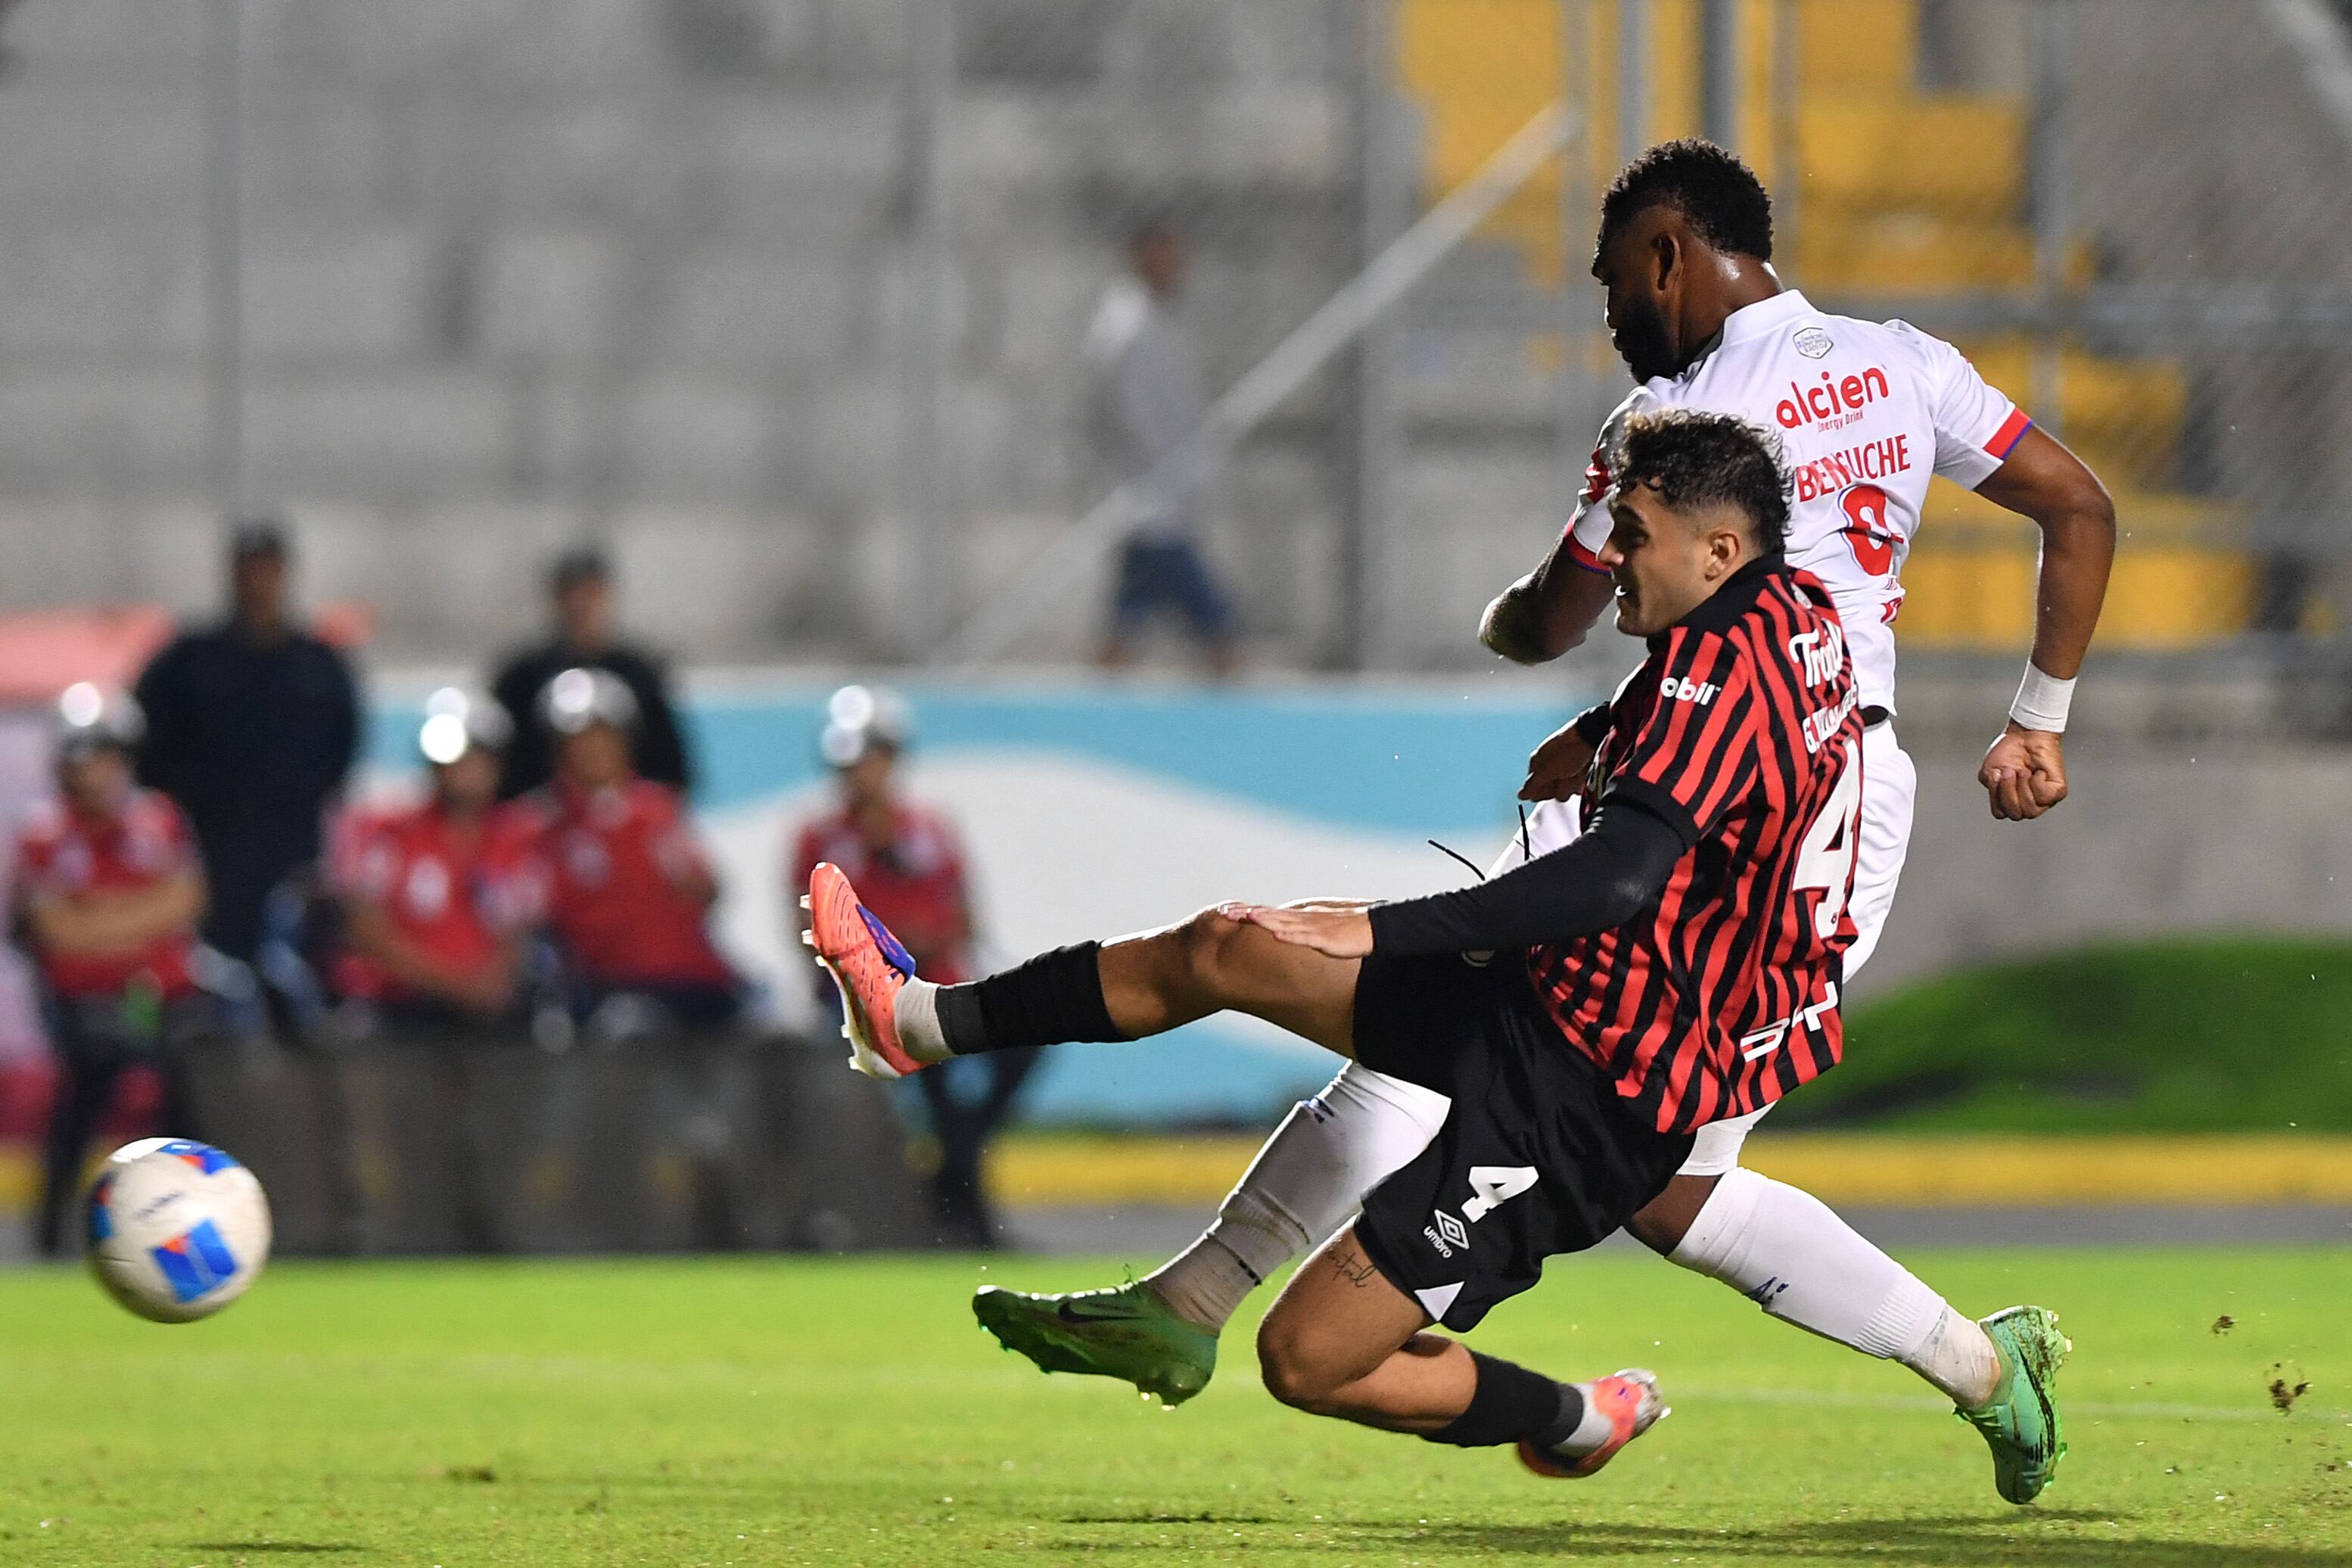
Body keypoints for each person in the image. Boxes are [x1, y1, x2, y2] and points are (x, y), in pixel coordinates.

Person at [972, 140, 2106, 1506]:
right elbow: (2076, 503)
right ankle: (1196, 1298)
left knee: (1645, 1155)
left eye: (1614, 274)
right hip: (1783, 766)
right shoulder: (1903, 364)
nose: (1609, 307)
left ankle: (1976, 1369)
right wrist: (2035, 714)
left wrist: (1518, 612)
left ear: (1669, 253)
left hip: (1762, 821)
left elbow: (1548, 620)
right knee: (1527, 1058)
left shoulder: (1679, 418)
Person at [811, 412, 2060, 1483]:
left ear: (1715, 549)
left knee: (1303, 1360)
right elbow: (1733, 742)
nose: (1611, 557)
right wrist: (1607, 724)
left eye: (1632, 536)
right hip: (1550, 1001)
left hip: (1585, 1096)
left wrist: (1376, 925)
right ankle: (912, 1022)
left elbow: (1611, 875)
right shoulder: (1787, 606)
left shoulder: (1721, 669)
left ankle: (1573, 1417)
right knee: (1223, 945)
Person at [788, 685, 1029, 1247]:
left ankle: (951, 1184)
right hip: (861, 1001)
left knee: (1026, 1041)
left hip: (939, 989)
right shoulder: (820, 838)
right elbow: (816, 932)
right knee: (939, 1082)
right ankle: (961, 1205)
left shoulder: (930, 829)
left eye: (869, 758)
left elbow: (964, 919)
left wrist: (899, 934)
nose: (859, 774)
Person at [17, 685, 211, 1256]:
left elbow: (187, 901)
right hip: (84, 1005)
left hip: (167, 998)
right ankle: (50, 1240)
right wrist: (141, 920)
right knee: (79, 1109)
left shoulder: (159, 820)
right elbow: (56, 932)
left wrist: (98, 917)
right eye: (80, 756)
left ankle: (198, 1224)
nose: (92, 771)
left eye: (103, 755)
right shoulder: (45, 833)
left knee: (192, 1104)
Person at [134, 518, 362, 965]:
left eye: (267, 566)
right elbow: (148, 744)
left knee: (292, 950)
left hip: (290, 839)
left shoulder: (319, 664)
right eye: (249, 567)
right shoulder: (187, 660)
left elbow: (342, 748)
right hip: (208, 838)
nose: (258, 579)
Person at [518, 669, 739, 1037]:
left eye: (600, 736)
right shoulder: (539, 826)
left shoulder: (658, 810)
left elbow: (708, 892)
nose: (590, 750)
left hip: (692, 982)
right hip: (605, 988)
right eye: (576, 739)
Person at [326, 691, 539, 1035]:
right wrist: (454, 986)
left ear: (497, 763)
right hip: (395, 1007)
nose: (460, 772)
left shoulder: (518, 836)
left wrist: (489, 984)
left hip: (486, 1012)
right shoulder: (387, 832)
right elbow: (367, 930)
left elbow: (520, 932)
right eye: (449, 761)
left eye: (473, 758)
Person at [1084, 220, 1238, 675]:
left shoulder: (1150, 319)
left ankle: (1110, 667)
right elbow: (1135, 414)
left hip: (1159, 496)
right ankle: (1229, 671)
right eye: (1165, 256)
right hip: (1150, 494)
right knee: (1212, 614)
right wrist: (1177, 466)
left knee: (1132, 605)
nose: (1175, 268)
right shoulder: (1128, 326)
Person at [489, 546, 693, 802]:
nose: (579, 604)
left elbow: (669, 767)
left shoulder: (640, 673)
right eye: (569, 592)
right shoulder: (521, 676)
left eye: (590, 592)